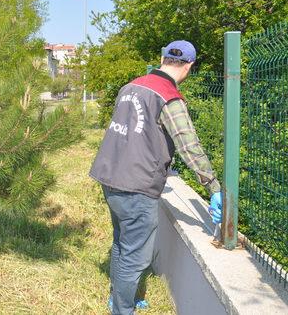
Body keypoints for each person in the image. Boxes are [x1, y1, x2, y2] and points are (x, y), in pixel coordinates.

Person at [89, 40, 223, 315]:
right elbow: (188, 145)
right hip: (136, 184)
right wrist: (212, 185)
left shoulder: (130, 87)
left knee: (122, 243)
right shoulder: (168, 97)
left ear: (162, 59)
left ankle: (118, 298)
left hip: (110, 175)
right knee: (135, 257)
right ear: (189, 66)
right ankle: (122, 310)